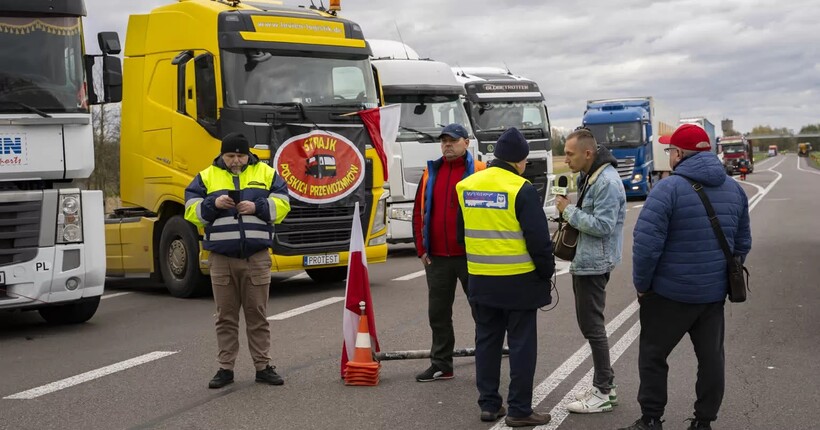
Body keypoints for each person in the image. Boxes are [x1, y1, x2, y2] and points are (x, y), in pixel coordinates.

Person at [619, 124, 752, 430]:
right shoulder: (734, 189)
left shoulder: (667, 189)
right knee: (711, 360)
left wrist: (642, 285)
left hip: (669, 295)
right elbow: (742, 244)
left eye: (671, 151)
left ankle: (651, 419)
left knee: (653, 356)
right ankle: (703, 422)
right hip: (712, 295)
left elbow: (646, 244)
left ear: (679, 154)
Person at [456, 128, 555, 427]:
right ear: (520, 160)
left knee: (487, 341)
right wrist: (546, 272)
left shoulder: (466, 185)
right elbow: (539, 240)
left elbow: (463, 234)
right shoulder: (521, 188)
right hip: (519, 280)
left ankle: (489, 404)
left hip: (481, 278)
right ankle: (519, 409)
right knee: (522, 344)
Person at [184, 132, 291, 389]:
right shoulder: (206, 176)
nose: (236, 161)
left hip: (256, 257)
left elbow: (284, 204)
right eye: (230, 156)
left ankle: (263, 366)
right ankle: (225, 369)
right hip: (221, 258)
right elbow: (190, 210)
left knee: (258, 315)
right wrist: (213, 204)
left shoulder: (266, 173)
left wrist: (258, 207)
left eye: (240, 155)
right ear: (222, 154)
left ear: (248, 154)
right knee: (225, 317)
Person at [555, 127, 626, 414]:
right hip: (588, 260)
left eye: (570, 154)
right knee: (590, 325)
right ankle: (604, 386)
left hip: (594, 263)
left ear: (588, 153)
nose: (566, 159)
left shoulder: (606, 181)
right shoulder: (591, 176)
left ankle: (604, 390)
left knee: (593, 327)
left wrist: (568, 211)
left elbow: (604, 225)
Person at [411, 123, 486, 382]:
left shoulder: (480, 171)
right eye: (443, 141)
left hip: (470, 257)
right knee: (438, 314)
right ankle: (442, 364)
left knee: (482, 312)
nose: (447, 145)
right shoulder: (430, 172)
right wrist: (421, 249)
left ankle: (488, 363)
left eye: (452, 140)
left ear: (466, 142)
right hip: (438, 259)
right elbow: (418, 212)